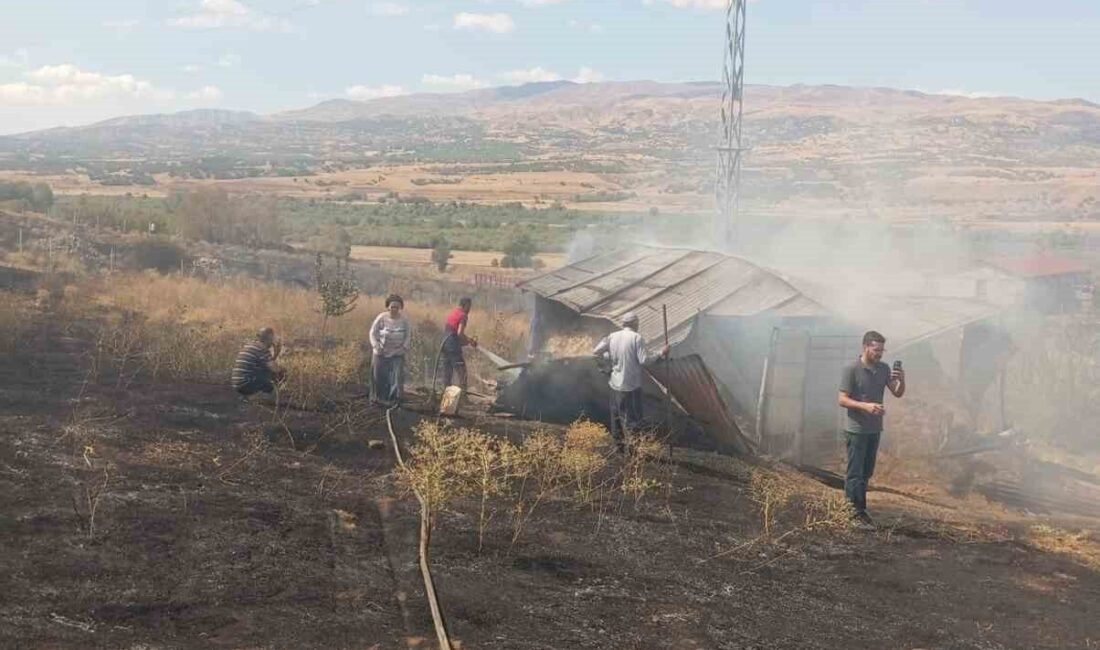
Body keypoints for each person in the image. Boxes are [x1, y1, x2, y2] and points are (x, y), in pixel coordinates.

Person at [838, 330, 906, 528]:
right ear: (865, 347)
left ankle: (861, 510)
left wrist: (902, 378)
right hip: (856, 429)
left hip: (874, 429)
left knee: (866, 472)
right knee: (855, 472)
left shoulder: (883, 369)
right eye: (876, 350)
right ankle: (851, 513)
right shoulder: (851, 369)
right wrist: (865, 406)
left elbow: (898, 392)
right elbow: (842, 399)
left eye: (882, 350)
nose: (879, 354)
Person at [592, 312, 669, 453]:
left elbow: (596, 352)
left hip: (614, 383)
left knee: (616, 416)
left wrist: (606, 368)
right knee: (632, 418)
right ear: (635, 324)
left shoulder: (612, 336)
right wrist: (661, 353)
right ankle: (634, 450)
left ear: (623, 324)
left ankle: (618, 446)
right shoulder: (637, 338)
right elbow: (644, 360)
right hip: (631, 386)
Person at [369, 294, 411, 407]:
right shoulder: (381, 318)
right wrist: (376, 345)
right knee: (379, 376)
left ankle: (394, 400)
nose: (394, 309)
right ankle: (377, 399)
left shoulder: (404, 320)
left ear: (400, 308)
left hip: (397, 353)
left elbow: (408, 335)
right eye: (392, 307)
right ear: (388, 307)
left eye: (397, 307)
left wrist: (404, 347)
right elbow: (372, 333)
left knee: (397, 377)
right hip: (381, 351)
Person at [232, 327, 285, 397]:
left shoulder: (252, 345)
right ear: (270, 339)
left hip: (238, 383)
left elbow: (268, 364)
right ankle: (270, 396)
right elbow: (275, 369)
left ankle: (252, 396)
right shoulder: (262, 349)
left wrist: (276, 353)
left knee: (266, 370)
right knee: (281, 372)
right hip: (246, 384)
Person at [441, 297, 477, 391]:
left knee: (447, 372)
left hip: (444, 344)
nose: (469, 309)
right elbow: (459, 333)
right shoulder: (463, 315)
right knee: (462, 372)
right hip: (452, 345)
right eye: (469, 307)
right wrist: (470, 340)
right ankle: (463, 397)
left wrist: (467, 342)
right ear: (465, 305)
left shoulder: (453, 313)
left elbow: (453, 333)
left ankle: (446, 394)